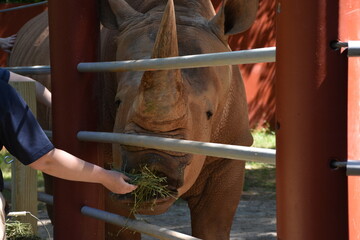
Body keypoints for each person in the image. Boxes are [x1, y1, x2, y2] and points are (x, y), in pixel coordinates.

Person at [0, 68, 137, 239]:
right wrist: (105, 177)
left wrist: (58, 105)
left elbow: (26, 82)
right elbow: (45, 160)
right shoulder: (3, 95)